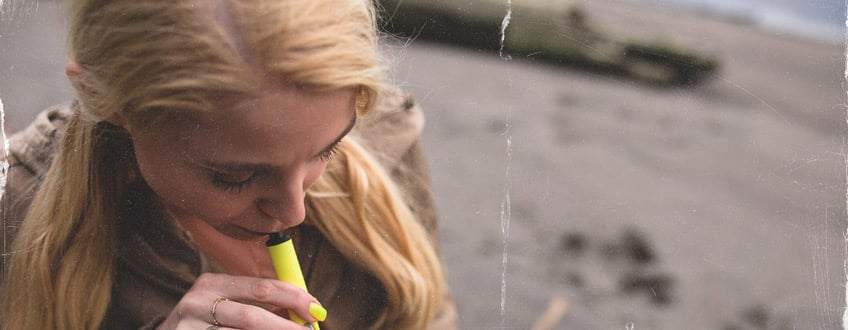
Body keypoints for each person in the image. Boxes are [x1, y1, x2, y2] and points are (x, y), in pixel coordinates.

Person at [0, 0, 456, 329]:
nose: (293, 211)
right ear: (105, 99)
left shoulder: (386, 146)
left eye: (327, 150)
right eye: (234, 176)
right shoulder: (16, 209)